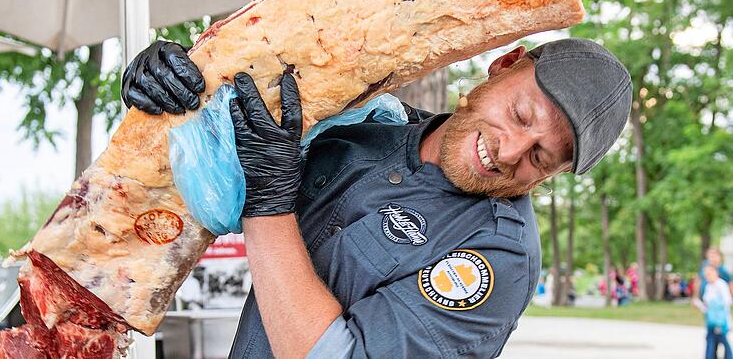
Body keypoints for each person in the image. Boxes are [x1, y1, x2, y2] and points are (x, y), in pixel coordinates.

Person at [122, 37, 632, 357]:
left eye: (540, 157)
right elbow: (213, 180)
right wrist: (176, 98)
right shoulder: (366, 122)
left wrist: (270, 203)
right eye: (520, 115)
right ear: (504, 63)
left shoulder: (500, 257)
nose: (510, 151)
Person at [695, 265, 733, 359]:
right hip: (710, 319)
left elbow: (727, 301)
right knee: (711, 340)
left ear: (715, 273)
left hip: (720, 320)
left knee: (723, 340)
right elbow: (706, 305)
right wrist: (700, 304)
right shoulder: (708, 286)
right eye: (706, 275)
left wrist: (715, 304)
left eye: (709, 274)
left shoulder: (721, 285)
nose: (707, 276)